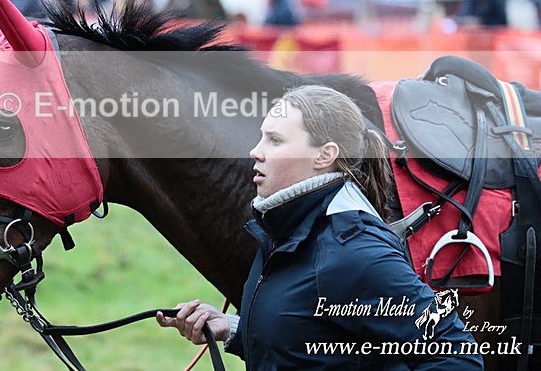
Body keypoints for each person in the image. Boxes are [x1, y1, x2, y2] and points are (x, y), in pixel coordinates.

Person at [157, 85, 482, 369]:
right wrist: (234, 329)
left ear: (325, 155)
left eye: (275, 140)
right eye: (261, 137)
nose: (256, 151)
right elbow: (313, 343)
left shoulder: (355, 252)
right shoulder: (282, 230)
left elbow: (455, 353)